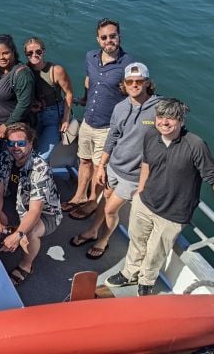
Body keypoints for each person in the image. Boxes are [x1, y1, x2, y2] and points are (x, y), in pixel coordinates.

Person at [105, 98, 214, 296]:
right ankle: (129, 273)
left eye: (171, 118)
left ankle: (146, 282)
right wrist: (140, 191)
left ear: (181, 121)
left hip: (173, 214)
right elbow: (146, 164)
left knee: (155, 252)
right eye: (160, 117)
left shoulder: (196, 145)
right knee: (136, 241)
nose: (164, 122)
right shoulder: (151, 135)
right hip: (145, 203)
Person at [70, 63, 160, 260]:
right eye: (130, 81)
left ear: (147, 83)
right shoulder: (120, 107)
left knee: (111, 209)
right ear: (124, 84)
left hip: (135, 174)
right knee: (105, 201)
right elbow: (112, 137)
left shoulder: (159, 109)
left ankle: (103, 239)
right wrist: (101, 166)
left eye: (139, 81)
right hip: (114, 167)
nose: (134, 85)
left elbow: (172, 134)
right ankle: (93, 230)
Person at [65, 19, 135, 219]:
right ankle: (78, 196)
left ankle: (91, 201)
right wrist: (85, 99)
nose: (108, 40)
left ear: (119, 36)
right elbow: (89, 80)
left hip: (108, 127)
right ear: (98, 39)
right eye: (104, 37)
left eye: (112, 36)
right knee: (84, 160)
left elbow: (135, 93)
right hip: (88, 121)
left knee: (99, 167)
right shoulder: (91, 57)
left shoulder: (128, 63)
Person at [0, 123, 62, 286]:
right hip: (17, 202)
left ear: (30, 143)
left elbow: (35, 211)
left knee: (30, 233)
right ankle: (6, 231)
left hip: (45, 213)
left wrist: (19, 234)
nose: (15, 147)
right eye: (11, 143)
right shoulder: (4, 157)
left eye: (21, 143)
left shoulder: (40, 168)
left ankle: (26, 266)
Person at [23, 37, 74, 160]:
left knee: (41, 158)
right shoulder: (23, 70)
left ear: (43, 51)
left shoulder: (56, 70)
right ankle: (45, 178)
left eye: (38, 52)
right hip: (32, 118)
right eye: (30, 53)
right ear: (26, 54)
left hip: (52, 118)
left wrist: (65, 119)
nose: (34, 55)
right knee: (29, 153)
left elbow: (69, 93)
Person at [0, 34, 35, 140]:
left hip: (11, 128)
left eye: (5, 53)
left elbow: (24, 104)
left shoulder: (22, 74)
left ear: (13, 52)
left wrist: (7, 125)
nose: (1, 58)